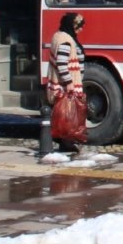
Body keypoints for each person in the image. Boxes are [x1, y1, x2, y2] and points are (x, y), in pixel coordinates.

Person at [49, 13, 89, 153]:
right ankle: (66, 142)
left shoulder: (60, 36)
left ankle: (66, 142)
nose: (81, 30)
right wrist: (69, 83)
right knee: (69, 114)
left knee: (67, 114)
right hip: (66, 85)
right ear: (72, 26)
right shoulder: (66, 40)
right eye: (79, 26)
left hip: (65, 84)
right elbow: (61, 63)